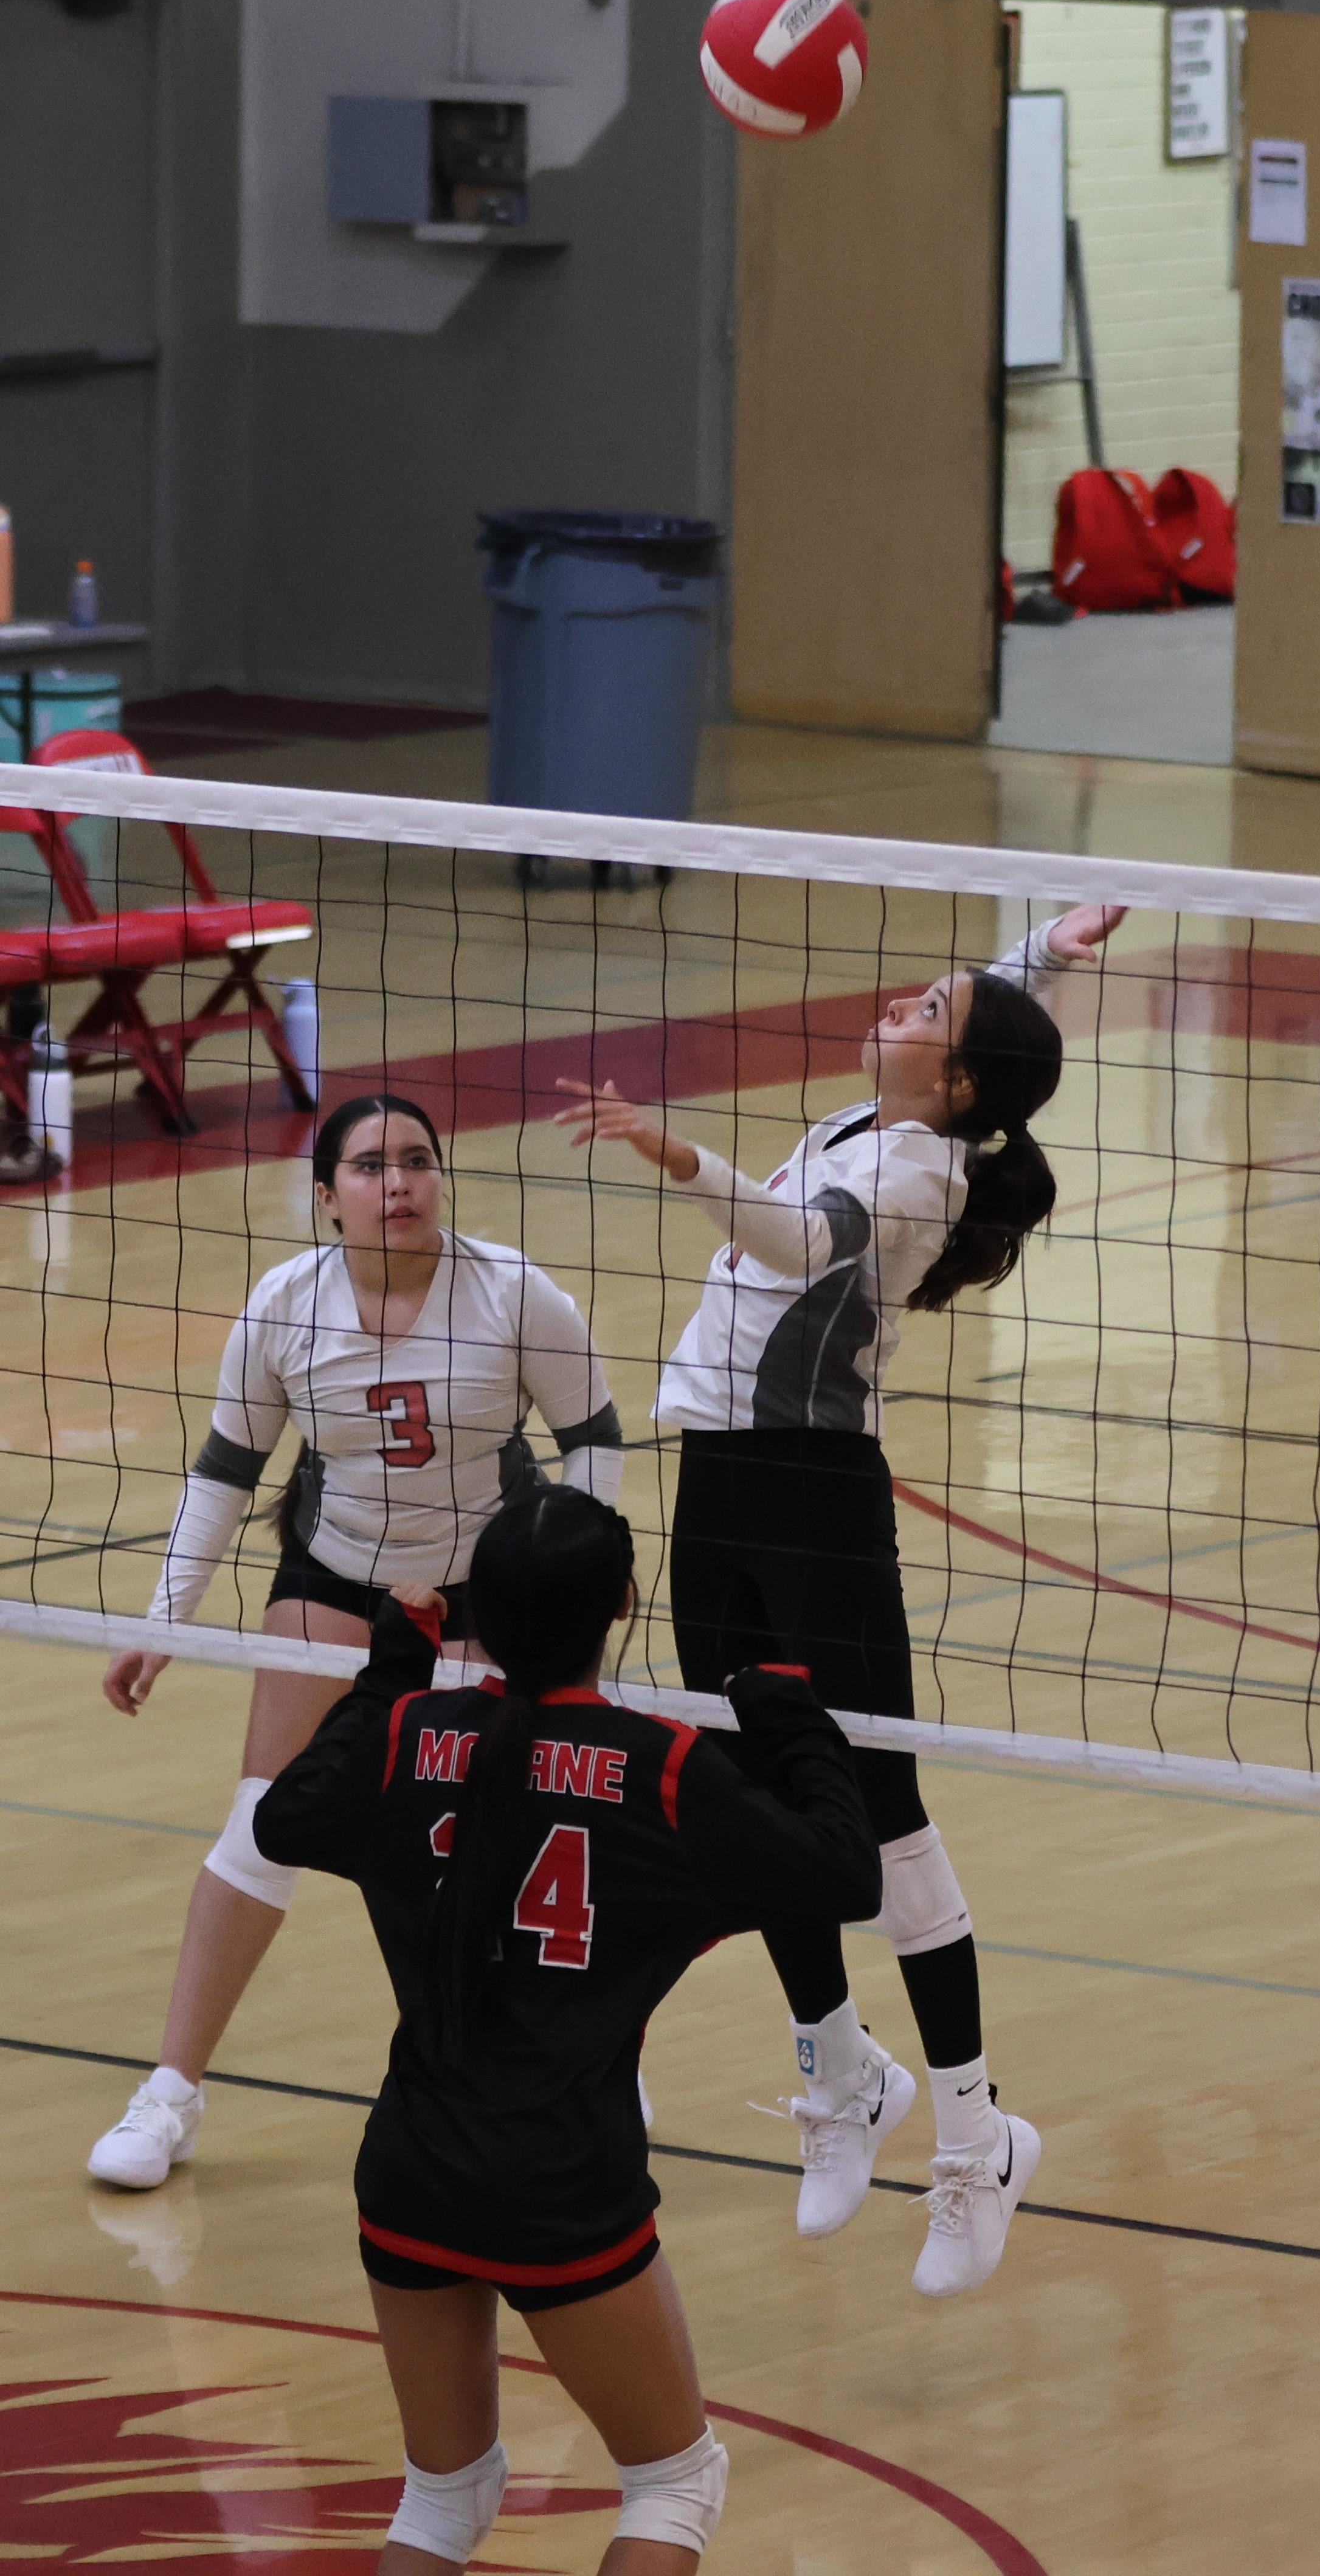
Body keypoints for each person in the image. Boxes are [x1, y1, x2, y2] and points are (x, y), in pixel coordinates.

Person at [555, 903, 1122, 2299]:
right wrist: (1044, 943)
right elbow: (993, 1010)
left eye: (930, 1013)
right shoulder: (889, 1120)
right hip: (726, 1487)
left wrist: (671, 1147)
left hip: (818, 1499)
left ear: (960, 1082)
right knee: (750, 1795)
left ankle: (978, 2137)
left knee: (882, 1811)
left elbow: (798, 1243)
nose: (905, 1007)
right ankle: (839, 2072)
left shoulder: (923, 1172)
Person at [249, 1486, 881, 2573]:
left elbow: (281, 1817)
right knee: (673, 2487)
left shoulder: (408, 1734)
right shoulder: (664, 1770)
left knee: (442, 2502)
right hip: (560, 2184)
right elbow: (845, 1874)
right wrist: (797, 1725)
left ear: (475, 1613)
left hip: (410, 2168)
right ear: (624, 1607)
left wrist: (391, 1671)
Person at [88, 1091, 624, 2195]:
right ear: (327, 1197)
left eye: (419, 1162)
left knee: (497, 1845)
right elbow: (227, 1472)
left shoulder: (516, 1293)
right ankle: (171, 2094)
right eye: (373, 1168)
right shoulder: (287, 1304)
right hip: (336, 1579)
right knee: (262, 1827)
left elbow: (594, 1440)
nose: (401, 1184)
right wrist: (163, 1621)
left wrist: (584, 1576)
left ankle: (575, 2075)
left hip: (488, 1591)